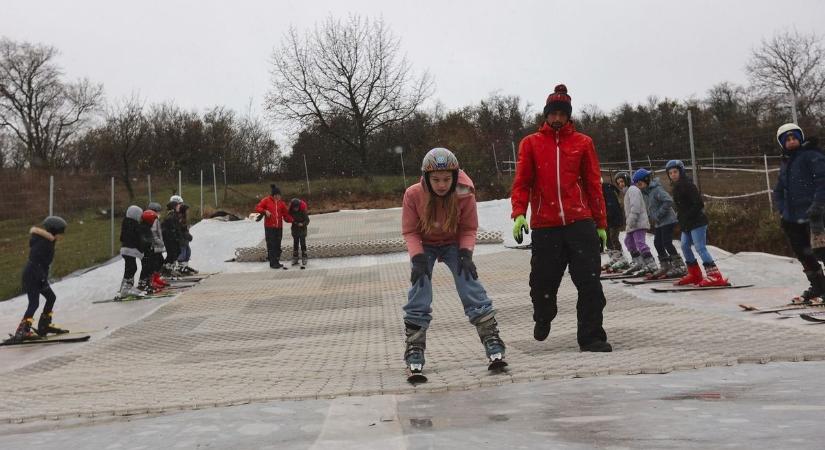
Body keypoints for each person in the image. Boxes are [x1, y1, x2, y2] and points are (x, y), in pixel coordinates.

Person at [511, 84, 611, 352]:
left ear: (568, 116)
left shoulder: (583, 143)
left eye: (561, 114)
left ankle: (591, 337)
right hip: (546, 226)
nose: (557, 118)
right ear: (545, 115)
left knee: (590, 284)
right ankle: (544, 314)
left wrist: (600, 224)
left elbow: (593, 185)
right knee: (541, 283)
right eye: (552, 113)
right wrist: (519, 214)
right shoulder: (531, 144)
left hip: (580, 224)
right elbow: (521, 183)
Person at [401, 147, 507, 377]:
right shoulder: (413, 194)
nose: (441, 185)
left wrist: (465, 253)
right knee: (420, 285)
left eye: (447, 179)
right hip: (425, 244)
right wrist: (417, 258)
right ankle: (415, 344)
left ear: (455, 176)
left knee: (468, 282)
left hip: (453, 244)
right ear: (426, 178)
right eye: (436, 179)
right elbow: (410, 231)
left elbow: (469, 228)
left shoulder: (464, 193)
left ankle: (490, 336)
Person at [773, 123, 825, 301]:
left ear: (800, 138)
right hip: (792, 217)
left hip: (814, 215)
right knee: (803, 253)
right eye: (787, 139)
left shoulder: (811, 155)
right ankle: (819, 287)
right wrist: (782, 210)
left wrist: (818, 204)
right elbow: (779, 189)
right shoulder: (786, 162)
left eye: (794, 137)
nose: (791, 141)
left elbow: (822, 181)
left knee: (821, 250)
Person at [666, 159, 728, 286]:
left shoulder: (688, 185)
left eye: (675, 172)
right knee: (684, 246)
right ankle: (695, 274)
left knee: (700, 248)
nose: (673, 175)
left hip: (697, 222)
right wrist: (680, 217)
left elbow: (698, 204)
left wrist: (687, 215)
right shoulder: (676, 187)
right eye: (670, 173)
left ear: (681, 172)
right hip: (686, 224)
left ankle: (715, 275)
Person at [7, 216, 68, 343]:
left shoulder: (47, 240)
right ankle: (22, 331)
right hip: (33, 275)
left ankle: (44, 326)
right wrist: (41, 277)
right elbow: (36, 262)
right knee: (34, 303)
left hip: (38, 274)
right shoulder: (43, 243)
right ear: (54, 230)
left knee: (51, 297)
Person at [636, 168, 686, 279]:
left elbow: (668, 200)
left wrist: (658, 214)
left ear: (646, 180)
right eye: (637, 184)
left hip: (668, 220)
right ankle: (665, 265)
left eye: (640, 183)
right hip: (659, 223)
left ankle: (680, 266)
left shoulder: (656, 190)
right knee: (657, 243)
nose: (639, 186)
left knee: (666, 242)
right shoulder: (646, 193)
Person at [255, 184, 293, 269]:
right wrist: (265, 211)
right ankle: (273, 263)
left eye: (280, 195)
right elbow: (257, 208)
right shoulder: (266, 200)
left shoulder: (281, 203)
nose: (280, 197)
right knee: (271, 245)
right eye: (278, 195)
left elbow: (286, 215)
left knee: (277, 246)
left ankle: (276, 261)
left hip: (279, 227)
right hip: (269, 227)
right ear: (274, 195)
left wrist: (293, 220)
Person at [119, 205, 152, 298]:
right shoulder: (134, 225)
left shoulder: (126, 223)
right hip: (130, 249)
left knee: (130, 267)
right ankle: (126, 288)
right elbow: (138, 238)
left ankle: (124, 287)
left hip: (126, 249)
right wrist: (143, 245)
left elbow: (122, 237)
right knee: (132, 267)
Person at [601, 173, 629, 272]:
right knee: (607, 239)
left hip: (613, 219)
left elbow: (612, 206)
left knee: (613, 238)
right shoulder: (601, 190)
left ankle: (621, 259)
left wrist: (608, 215)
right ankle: (614, 258)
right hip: (607, 219)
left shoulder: (606, 189)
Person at [145, 202, 169, 289]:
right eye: (158, 211)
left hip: (157, 246)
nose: (159, 213)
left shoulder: (156, 219)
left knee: (159, 262)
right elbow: (154, 234)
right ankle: (153, 279)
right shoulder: (153, 220)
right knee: (156, 263)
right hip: (154, 246)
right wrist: (161, 242)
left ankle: (156, 278)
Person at [137, 209, 160, 293]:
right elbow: (142, 239)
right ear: (149, 220)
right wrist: (149, 243)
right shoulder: (143, 227)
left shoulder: (147, 227)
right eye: (153, 220)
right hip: (145, 251)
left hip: (149, 250)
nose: (154, 222)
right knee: (146, 267)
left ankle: (147, 282)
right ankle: (142, 284)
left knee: (151, 266)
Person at [161, 196, 183, 276]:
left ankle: (169, 268)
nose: (179, 207)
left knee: (176, 252)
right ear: (174, 207)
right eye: (178, 206)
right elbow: (170, 228)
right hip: (170, 239)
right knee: (172, 254)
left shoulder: (175, 215)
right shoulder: (171, 216)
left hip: (173, 238)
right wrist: (175, 236)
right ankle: (165, 268)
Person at [176, 203, 198, 274]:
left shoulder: (184, 217)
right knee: (183, 253)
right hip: (181, 239)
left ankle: (185, 267)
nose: (188, 212)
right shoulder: (180, 218)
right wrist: (187, 235)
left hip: (185, 239)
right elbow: (181, 229)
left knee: (188, 253)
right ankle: (180, 267)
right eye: (187, 210)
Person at [288, 198, 310, 267]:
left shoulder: (303, 211)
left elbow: (307, 220)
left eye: (297, 207)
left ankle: (304, 257)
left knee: (303, 244)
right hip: (295, 230)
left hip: (302, 230)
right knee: (295, 244)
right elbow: (288, 217)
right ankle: (295, 258)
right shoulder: (291, 211)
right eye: (294, 208)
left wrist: (302, 224)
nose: (296, 209)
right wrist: (293, 221)